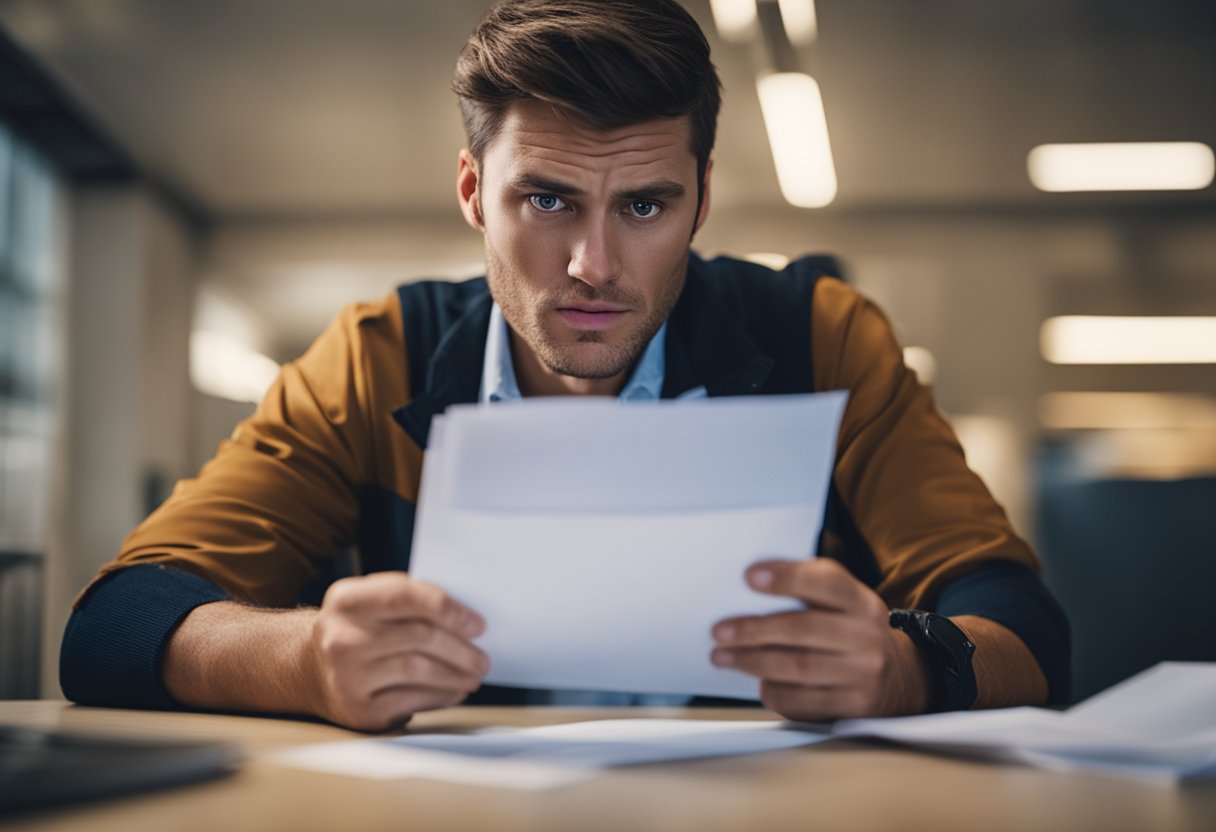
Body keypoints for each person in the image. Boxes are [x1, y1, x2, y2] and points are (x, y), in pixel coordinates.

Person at [60, 0, 1068, 732]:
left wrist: (899, 667)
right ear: (471, 189)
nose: (593, 266)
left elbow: (1027, 634)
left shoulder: (825, 343)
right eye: (546, 200)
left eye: (643, 206)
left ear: (701, 200)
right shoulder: (374, 362)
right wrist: (307, 658)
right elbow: (113, 625)